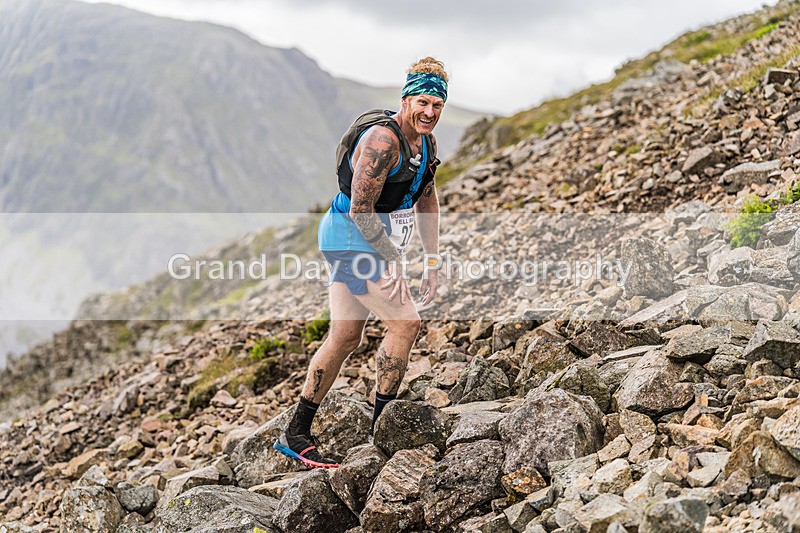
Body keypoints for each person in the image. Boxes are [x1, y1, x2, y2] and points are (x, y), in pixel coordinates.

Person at [273, 57, 448, 468]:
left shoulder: (427, 144)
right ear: (406, 99)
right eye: (423, 102)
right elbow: (361, 210)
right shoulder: (382, 143)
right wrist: (393, 263)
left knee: (346, 336)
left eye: (437, 106)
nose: (429, 113)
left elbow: (426, 200)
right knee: (406, 322)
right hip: (350, 238)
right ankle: (382, 431)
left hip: (371, 239)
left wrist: (434, 259)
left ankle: (295, 433)